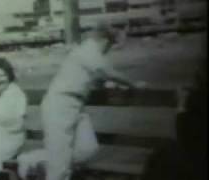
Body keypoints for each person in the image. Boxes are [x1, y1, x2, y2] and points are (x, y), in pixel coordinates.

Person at [40, 22, 147, 180]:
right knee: (58, 167)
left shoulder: (86, 52)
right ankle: (49, 161)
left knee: (87, 148)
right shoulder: (89, 50)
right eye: (110, 45)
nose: (108, 50)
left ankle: (47, 159)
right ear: (104, 40)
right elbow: (106, 71)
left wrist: (106, 84)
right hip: (60, 105)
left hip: (74, 106)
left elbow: (94, 77)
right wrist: (134, 84)